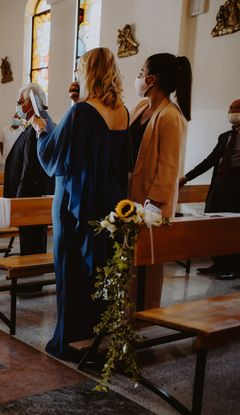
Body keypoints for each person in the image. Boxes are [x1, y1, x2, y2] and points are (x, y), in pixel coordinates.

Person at [33, 47, 131, 360]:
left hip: (76, 200)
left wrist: (40, 132)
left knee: (70, 266)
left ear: (88, 72)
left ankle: (69, 339)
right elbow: (119, 158)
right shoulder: (122, 111)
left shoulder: (82, 112)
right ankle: (95, 334)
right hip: (111, 200)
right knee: (99, 267)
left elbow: (55, 158)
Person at [129, 52, 192, 308]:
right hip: (128, 197)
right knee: (129, 266)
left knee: (148, 269)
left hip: (150, 206)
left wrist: (151, 207)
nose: (138, 77)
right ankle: (126, 315)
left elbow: (168, 169)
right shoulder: (142, 107)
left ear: (152, 79)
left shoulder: (170, 117)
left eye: (141, 73)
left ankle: (144, 317)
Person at [180, 98, 240, 280]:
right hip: (218, 189)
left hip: (236, 190)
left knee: (232, 230)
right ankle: (219, 263)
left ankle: (234, 267)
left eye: (236, 108)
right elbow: (209, 161)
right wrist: (186, 177)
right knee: (213, 228)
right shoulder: (225, 137)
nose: (232, 111)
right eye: (230, 107)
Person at [6, 83, 54, 255]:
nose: (18, 106)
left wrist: (20, 201)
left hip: (30, 197)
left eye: (20, 101)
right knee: (32, 240)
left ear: (31, 103)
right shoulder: (40, 122)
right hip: (35, 195)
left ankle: (32, 279)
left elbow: (30, 168)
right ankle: (34, 278)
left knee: (32, 243)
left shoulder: (38, 127)